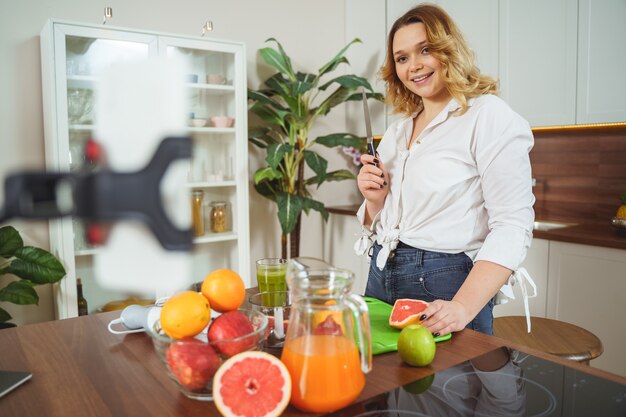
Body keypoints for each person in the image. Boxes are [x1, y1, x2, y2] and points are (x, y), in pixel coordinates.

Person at [355, 3, 535, 336]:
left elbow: (513, 224)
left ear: (448, 50)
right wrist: (374, 200)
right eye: (402, 58)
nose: (414, 66)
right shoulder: (396, 133)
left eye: (425, 50)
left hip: (446, 285)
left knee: (451, 386)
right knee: (381, 383)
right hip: (380, 273)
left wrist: (464, 307)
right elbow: (382, 220)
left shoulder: (488, 116)